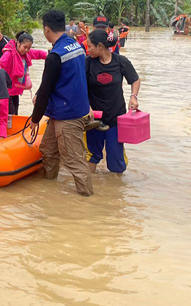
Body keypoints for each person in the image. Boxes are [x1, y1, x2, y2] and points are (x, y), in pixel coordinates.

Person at [31, 10, 94, 197]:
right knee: (48, 150)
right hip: (68, 109)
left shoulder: (54, 56)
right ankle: (49, 190)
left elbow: (44, 91)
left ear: (46, 29)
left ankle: (88, 201)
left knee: (74, 160)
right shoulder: (75, 45)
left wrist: (35, 119)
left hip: (68, 116)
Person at [85, 29, 141, 174]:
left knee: (116, 159)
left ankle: (116, 192)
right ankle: (91, 186)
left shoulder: (121, 62)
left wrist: (133, 96)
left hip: (116, 118)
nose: (88, 49)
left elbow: (135, 79)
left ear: (100, 47)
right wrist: (87, 106)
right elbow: (79, 87)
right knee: (92, 155)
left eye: (90, 46)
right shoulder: (88, 63)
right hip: (94, 119)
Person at [0, 31, 47, 116]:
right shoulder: (9, 54)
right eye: (25, 47)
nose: (26, 50)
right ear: (18, 43)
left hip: (15, 91)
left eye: (29, 48)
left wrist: (51, 55)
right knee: (11, 115)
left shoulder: (27, 53)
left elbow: (39, 53)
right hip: (6, 91)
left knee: (15, 114)